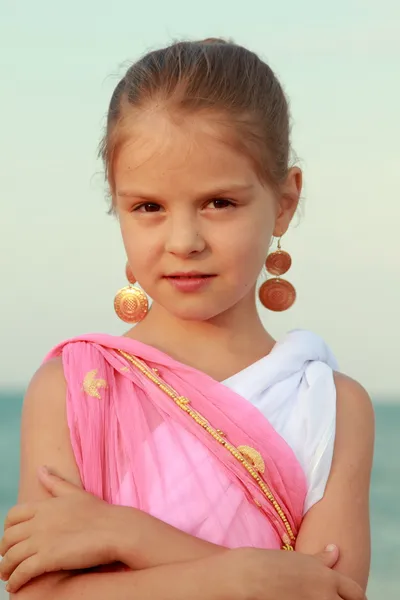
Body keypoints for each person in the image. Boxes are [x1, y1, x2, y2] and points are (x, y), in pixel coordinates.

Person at [0, 38, 374, 599]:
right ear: (118, 206)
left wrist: (127, 535)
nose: (184, 241)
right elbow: (40, 593)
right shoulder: (73, 388)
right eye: (148, 207)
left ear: (284, 201)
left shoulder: (332, 406)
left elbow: (329, 593)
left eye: (218, 203)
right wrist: (244, 578)